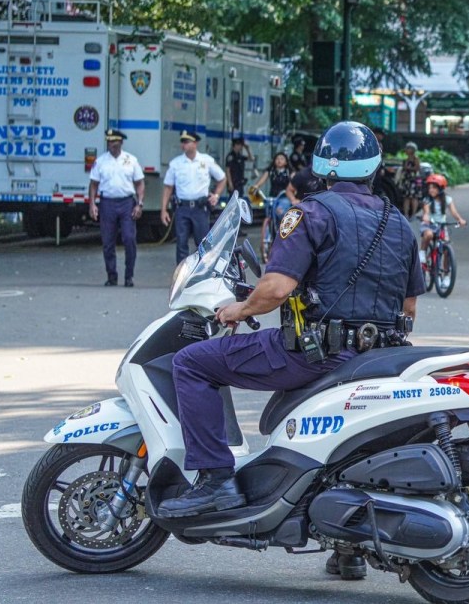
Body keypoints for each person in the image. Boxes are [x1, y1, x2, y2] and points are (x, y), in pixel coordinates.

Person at [159, 121, 425, 584]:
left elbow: (277, 287)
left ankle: (216, 482)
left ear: (322, 166)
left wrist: (238, 309)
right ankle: (348, 550)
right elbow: (409, 306)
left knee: (192, 363)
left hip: (314, 355)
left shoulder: (311, 213)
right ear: (375, 168)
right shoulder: (398, 222)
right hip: (382, 360)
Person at [88, 129, 145, 287]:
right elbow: (93, 184)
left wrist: (139, 204)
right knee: (108, 241)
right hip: (107, 203)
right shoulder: (101, 161)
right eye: (110, 141)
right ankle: (111, 276)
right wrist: (92, 204)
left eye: (115, 141)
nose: (113, 144)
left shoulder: (131, 160)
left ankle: (129, 276)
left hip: (127, 203)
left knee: (129, 238)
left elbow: (139, 183)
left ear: (121, 142)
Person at [161, 131, 227, 264]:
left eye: (186, 142)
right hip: (182, 208)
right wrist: (163, 209)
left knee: (203, 243)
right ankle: (181, 277)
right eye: (182, 142)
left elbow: (222, 178)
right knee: (181, 243)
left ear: (195, 143)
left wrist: (216, 195)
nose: (183, 145)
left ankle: (205, 275)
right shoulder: (176, 163)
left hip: (200, 208)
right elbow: (168, 187)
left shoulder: (206, 161)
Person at [418, 173, 467, 265]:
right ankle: (422, 252)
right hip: (429, 224)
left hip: (441, 226)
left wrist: (460, 219)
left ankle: (446, 274)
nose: (431, 190)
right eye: (430, 188)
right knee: (428, 235)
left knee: (446, 250)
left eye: (434, 187)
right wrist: (426, 216)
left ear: (440, 188)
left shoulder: (447, 199)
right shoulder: (427, 200)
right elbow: (426, 211)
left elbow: (454, 212)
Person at [399, 141, 422, 218]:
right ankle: (406, 214)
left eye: (408, 148)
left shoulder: (416, 159)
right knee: (406, 197)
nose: (406, 150)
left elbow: (417, 168)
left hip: (413, 180)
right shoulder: (406, 159)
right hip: (407, 180)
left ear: (412, 150)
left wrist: (408, 168)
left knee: (414, 197)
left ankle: (413, 214)